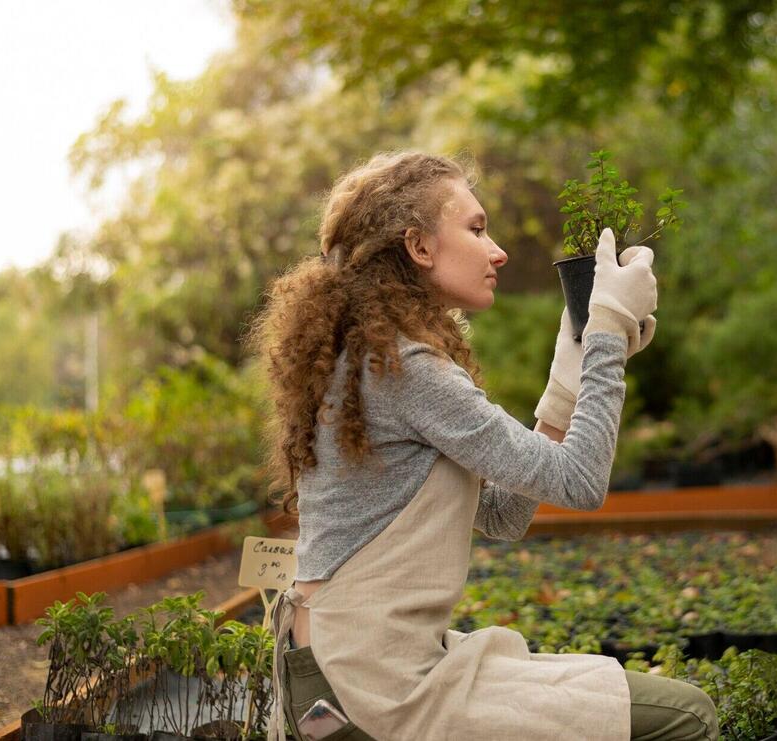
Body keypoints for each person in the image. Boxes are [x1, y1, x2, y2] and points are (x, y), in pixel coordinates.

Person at [250, 151, 719, 741]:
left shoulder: (376, 360)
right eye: (475, 229)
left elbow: (501, 515)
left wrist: (563, 392)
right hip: (372, 686)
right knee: (687, 716)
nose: (497, 250)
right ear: (419, 247)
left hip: (346, 673)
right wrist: (604, 331)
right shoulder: (405, 369)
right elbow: (582, 483)